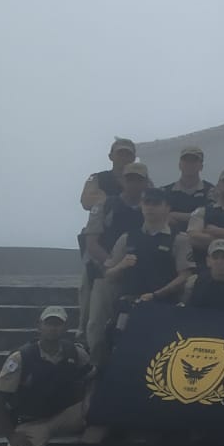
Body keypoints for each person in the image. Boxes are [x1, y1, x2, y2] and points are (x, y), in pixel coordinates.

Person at [0, 306, 105, 446]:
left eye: (58, 324)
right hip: (33, 420)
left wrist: (89, 400)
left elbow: (93, 376)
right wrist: (11, 434)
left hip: (65, 414)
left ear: (66, 328)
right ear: (39, 326)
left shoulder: (75, 352)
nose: (53, 328)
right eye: (49, 323)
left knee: (104, 411)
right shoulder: (21, 357)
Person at [99, 189, 194, 349]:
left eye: (156, 203)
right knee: (121, 348)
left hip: (163, 306)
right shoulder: (127, 238)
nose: (150, 207)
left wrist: (156, 295)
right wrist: (121, 265)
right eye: (146, 202)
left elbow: (185, 275)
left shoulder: (179, 239)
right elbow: (108, 274)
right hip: (129, 307)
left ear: (167, 207)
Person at [82, 162, 151, 356]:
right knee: (97, 322)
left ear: (146, 183)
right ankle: (95, 363)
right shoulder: (106, 205)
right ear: (122, 181)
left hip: (140, 277)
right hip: (107, 273)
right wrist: (114, 265)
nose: (134, 184)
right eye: (130, 179)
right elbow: (92, 243)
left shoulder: (151, 208)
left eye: (139, 180)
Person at [78, 138, 135, 336]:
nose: (124, 157)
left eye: (128, 153)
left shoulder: (142, 180)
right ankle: (82, 337)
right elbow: (86, 201)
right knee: (90, 302)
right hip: (100, 248)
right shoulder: (98, 178)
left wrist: (103, 198)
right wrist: (112, 201)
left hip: (130, 251)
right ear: (111, 156)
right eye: (120, 153)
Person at [163, 147, 212, 231]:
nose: (189, 164)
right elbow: (159, 216)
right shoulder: (165, 191)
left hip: (202, 240)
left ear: (201, 166)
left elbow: (211, 216)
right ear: (179, 165)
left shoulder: (211, 191)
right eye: (186, 161)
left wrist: (175, 215)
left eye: (194, 161)